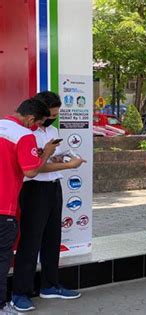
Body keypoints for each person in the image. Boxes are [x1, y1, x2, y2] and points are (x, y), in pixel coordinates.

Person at [10, 92, 86, 312]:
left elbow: (49, 159)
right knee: (30, 241)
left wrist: (59, 158)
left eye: (57, 112)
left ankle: (50, 284)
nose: (55, 116)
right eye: (52, 113)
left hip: (53, 187)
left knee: (52, 238)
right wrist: (68, 166)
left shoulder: (52, 131)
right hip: (33, 189)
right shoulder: (25, 133)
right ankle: (20, 293)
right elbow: (34, 168)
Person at [0, 99, 58, 314]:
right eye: (38, 123)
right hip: (4, 207)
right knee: (2, 257)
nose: (36, 128)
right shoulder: (23, 135)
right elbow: (31, 171)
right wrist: (47, 153)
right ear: (31, 118)